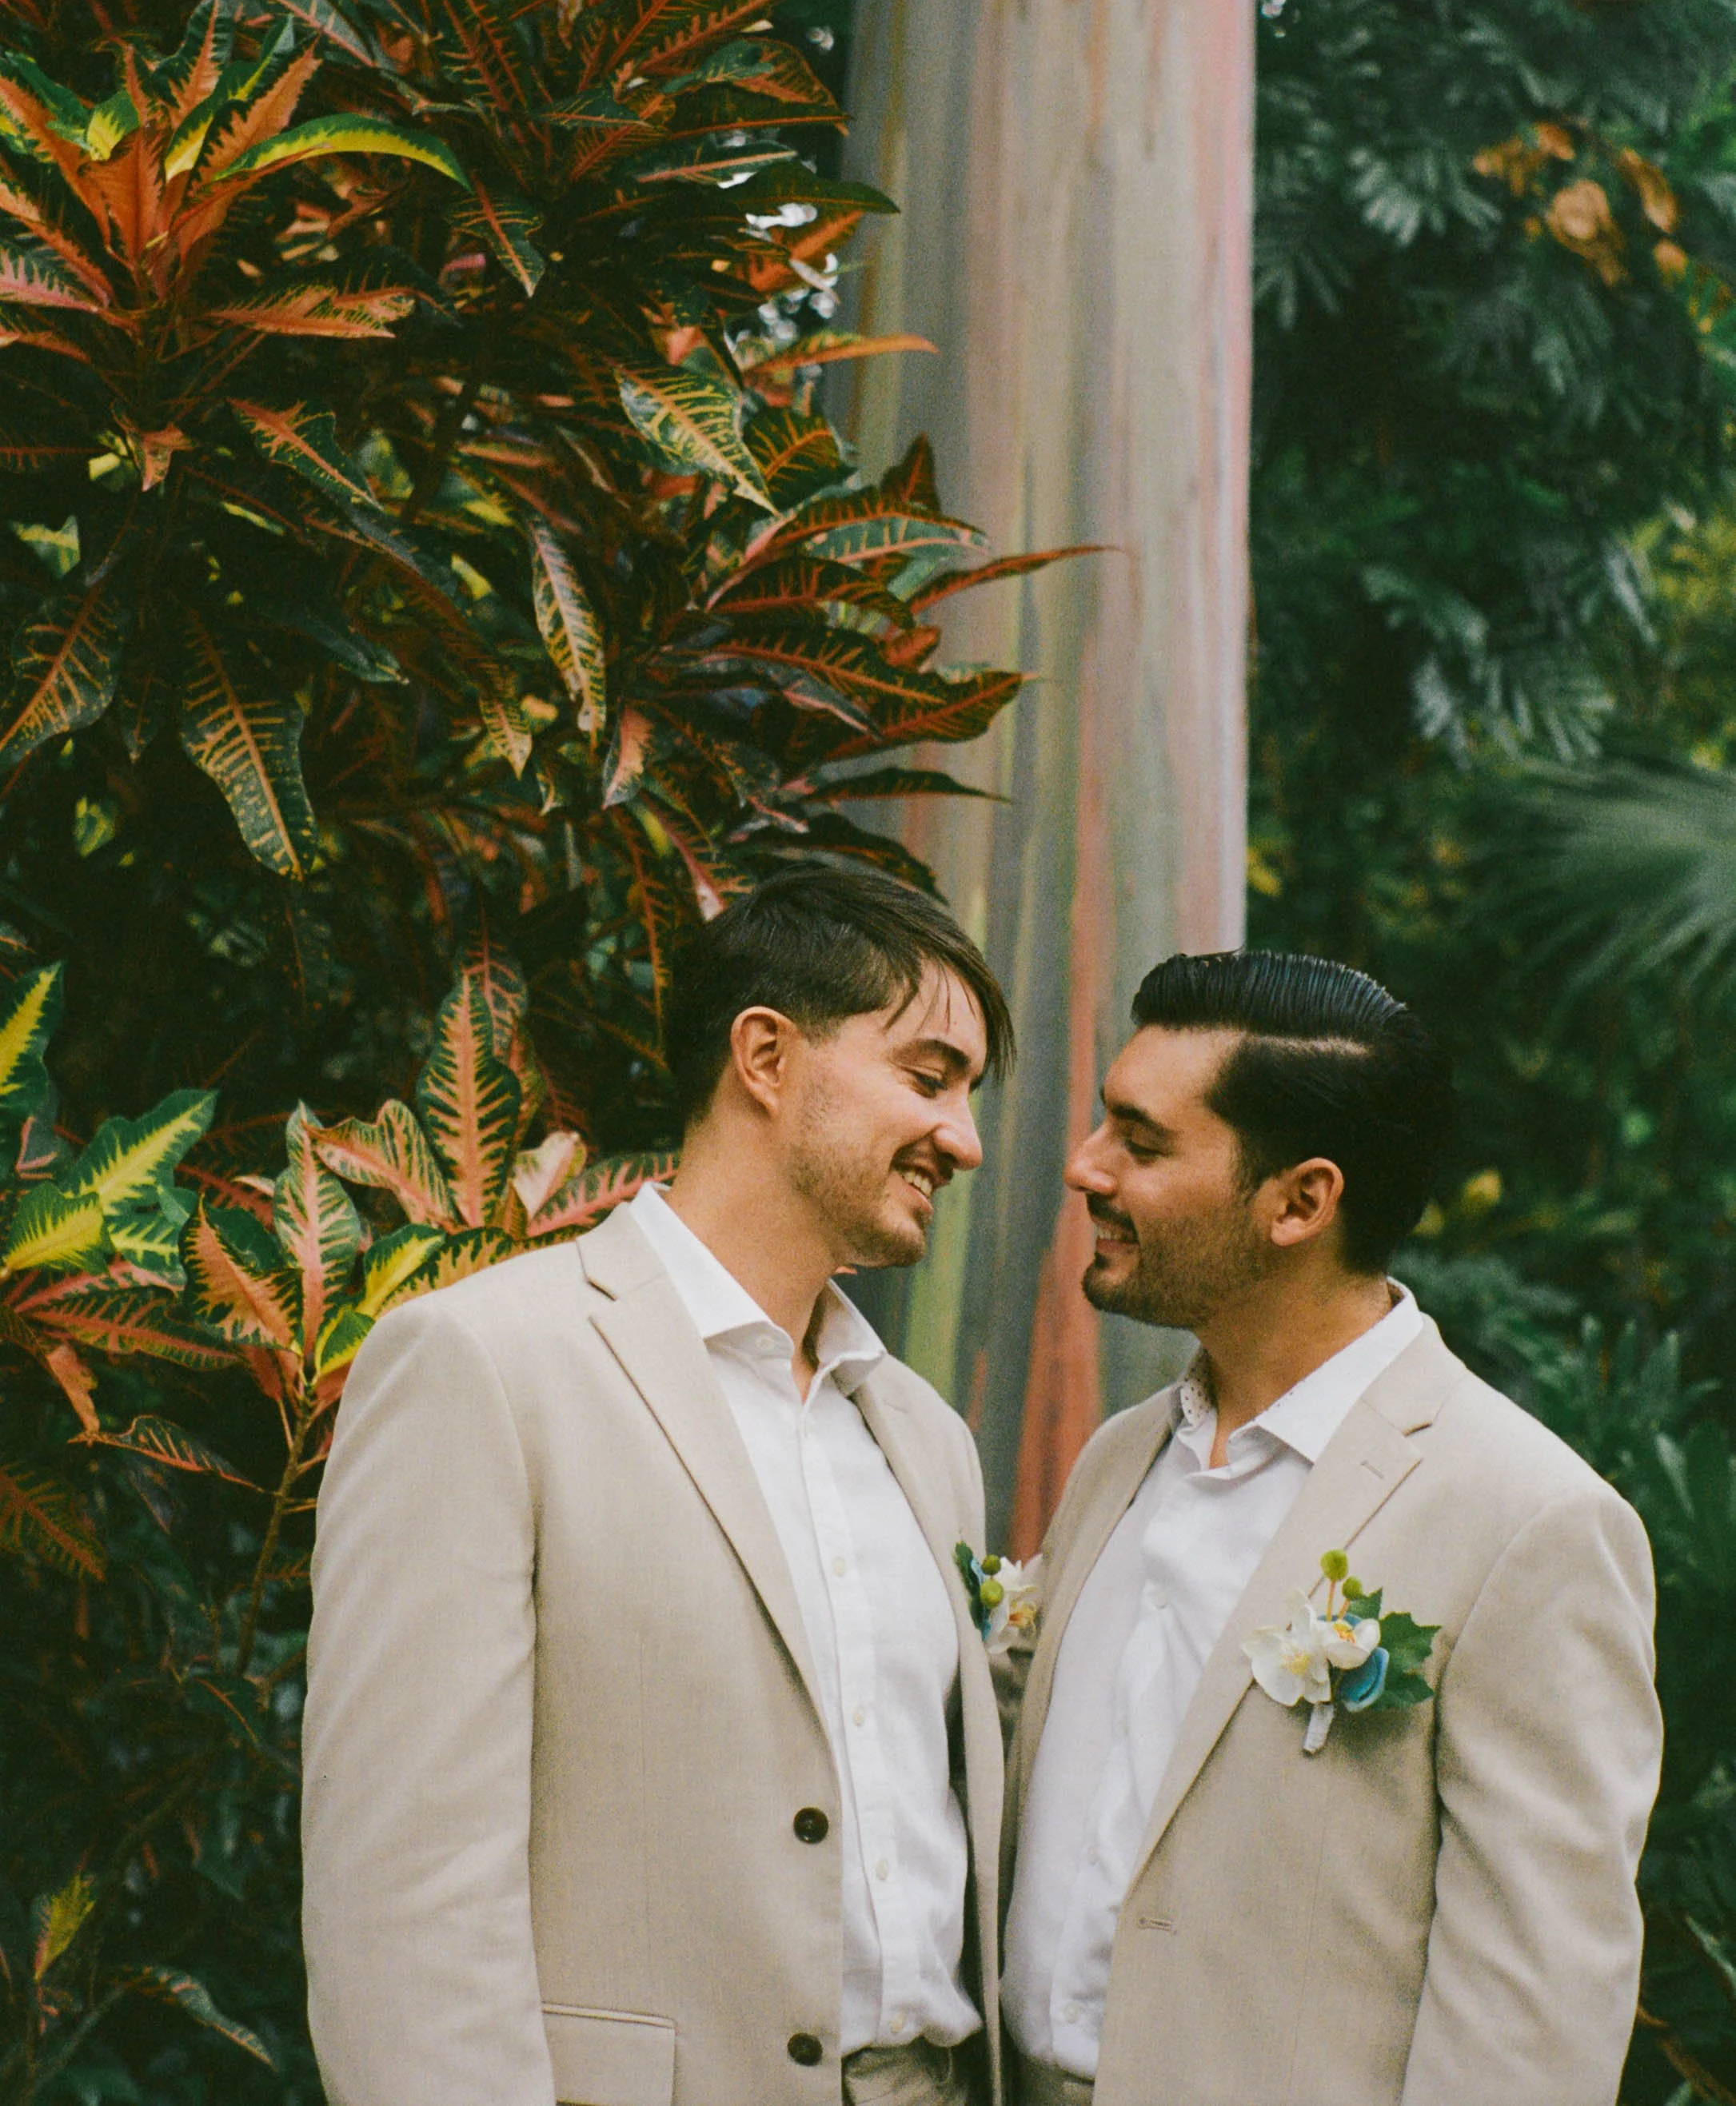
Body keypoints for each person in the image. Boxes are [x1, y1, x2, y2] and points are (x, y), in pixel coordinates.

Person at [301, 864, 1014, 2106]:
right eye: (928, 1076)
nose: (963, 1138)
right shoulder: (484, 1364)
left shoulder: (924, 1436)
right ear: (765, 1056)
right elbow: (402, 1892)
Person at [1001, 949, 1662, 2106]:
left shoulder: (1528, 1520)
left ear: (1300, 1200)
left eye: (1140, 1143)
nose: (1083, 1166)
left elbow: (1532, 2018)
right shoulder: (1117, 1458)